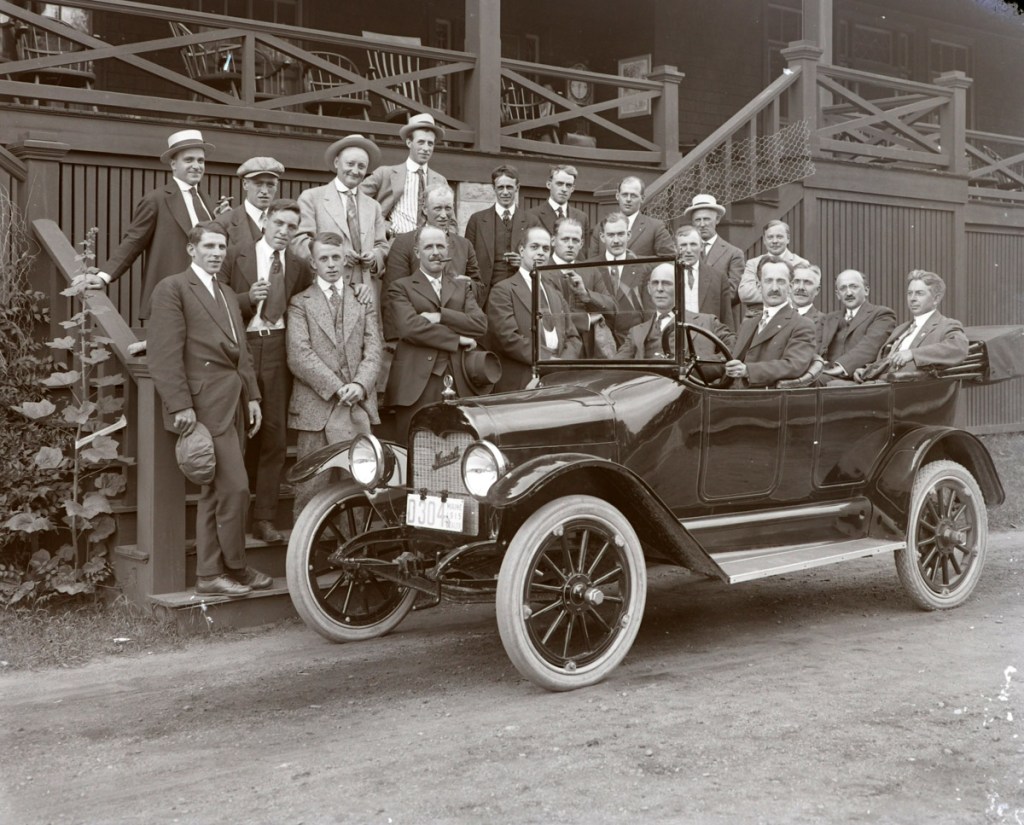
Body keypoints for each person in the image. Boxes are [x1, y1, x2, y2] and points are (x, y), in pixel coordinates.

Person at [147, 223, 269, 598]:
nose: (217, 253)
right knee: (235, 489)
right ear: (191, 249)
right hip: (203, 406)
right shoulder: (173, 288)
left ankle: (212, 573)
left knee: (217, 494)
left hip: (234, 402)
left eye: (221, 247)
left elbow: (242, 351)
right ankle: (231, 568)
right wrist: (180, 404)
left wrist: (252, 396)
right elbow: (164, 353)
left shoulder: (227, 292)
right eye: (209, 246)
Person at [220, 198, 308, 543]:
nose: (284, 232)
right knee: (238, 431)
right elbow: (214, 301)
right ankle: (233, 516)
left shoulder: (299, 266)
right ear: (266, 221)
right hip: (240, 347)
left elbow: (309, 302)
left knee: (274, 435)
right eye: (279, 223)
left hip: (277, 348)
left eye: (291, 227)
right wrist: (246, 299)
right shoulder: (234, 254)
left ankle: (264, 518)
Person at [286, 233, 383, 518]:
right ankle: (306, 544)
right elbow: (299, 355)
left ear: (345, 261)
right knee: (311, 488)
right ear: (313, 263)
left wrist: (360, 384)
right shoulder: (300, 303)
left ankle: (355, 545)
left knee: (359, 486)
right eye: (324, 258)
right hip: (316, 410)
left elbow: (374, 349)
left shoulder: (362, 299)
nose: (330, 264)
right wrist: (338, 387)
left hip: (357, 406)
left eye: (336, 257)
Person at [81, 129, 218, 319]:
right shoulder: (157, 199)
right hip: (173, 298)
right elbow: (133, 241)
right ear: (173, 164)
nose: (196, 166)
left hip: (209, 298)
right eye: (189, 160)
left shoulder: (207, 201)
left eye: (200, 161)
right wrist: (104, 276)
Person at [383, 225, 487, 441]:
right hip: (416, 385)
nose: (436, 252)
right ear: (417, 252)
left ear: (448, 250)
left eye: (440, 246)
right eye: (428, 247)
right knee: (415, 448)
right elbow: (410, 328)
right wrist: (457, 338)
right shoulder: (401, 287)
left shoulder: (461, 287)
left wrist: (440, 316)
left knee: (461, 447)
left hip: (459, 381)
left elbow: (479, 324)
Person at [292, 134, 388, 304]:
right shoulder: (312, 198)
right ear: (337, 163)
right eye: (350, 164)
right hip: (325, 291)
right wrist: (337, 255)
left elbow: (382, 245)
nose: (355, 171)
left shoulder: (373, 206)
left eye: (361, 166)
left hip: (366, 294)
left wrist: (374, 258)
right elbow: (299, 242)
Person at [487, 226, 582, 391]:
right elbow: (507, 338)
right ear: (521, 250)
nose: (541, 253)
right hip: (522, 383)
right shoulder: (503, 290)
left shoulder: (555, 293)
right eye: (534, 247)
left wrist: (563, 363)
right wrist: (547, 360)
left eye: (545, 249)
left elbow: (573, 337)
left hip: (558, 381)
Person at [855, 270, 969, 383]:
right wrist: (868, 370)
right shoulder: (901, 329)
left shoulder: (946, 325)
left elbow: (958, 348)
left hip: (910, 388)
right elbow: (887, 360)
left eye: (919, 293)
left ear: (936, 299)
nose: (912, 298)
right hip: (879, 383)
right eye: (910, 293)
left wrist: (912, 354)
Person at [383, 183, 481, 305]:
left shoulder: (464, 245)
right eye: (438, 208)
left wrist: (469, 285)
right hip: (417, 315)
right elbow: (392, 294)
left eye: (448, 208)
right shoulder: (404, 243)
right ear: (425, 209)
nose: (444, 215)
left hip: (457, 315)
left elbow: (479, 287)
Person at [724, 257, 816, 387]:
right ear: (758, 286)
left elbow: (794, 365)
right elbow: (729, 358)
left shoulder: (802, 324)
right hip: (730, 392)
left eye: (781, 281)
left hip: (769, 396)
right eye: (768, 281)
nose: (774, 288)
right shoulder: (748, 324)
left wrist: (748, 371)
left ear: (790, 287)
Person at [615, 263, 735, 363]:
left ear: (679, 287)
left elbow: (735, 348)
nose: (659, 289)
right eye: (655, 283)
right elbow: (616, 366)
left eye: (666, 283)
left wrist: (702, 366)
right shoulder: (636, 332)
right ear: (649, 289)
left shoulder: (707, 322)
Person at [361, 112, 447, 236]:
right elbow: (355, 199)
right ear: (409, 143)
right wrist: (379, 223)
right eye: (421, 142)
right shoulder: (385, 173)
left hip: (429, 241)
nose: (426, 148)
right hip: (396, 240)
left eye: (430, 143)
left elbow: (450, 221)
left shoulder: (440, 180)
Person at [548, 216, 616, 358]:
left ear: (581, 243)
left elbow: (612, 308)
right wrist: (587, 320)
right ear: (553, 241)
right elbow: (547, 316)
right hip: (555, 351)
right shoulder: (542, 271)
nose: (570, 245)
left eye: (575, 240)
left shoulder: (590, 270)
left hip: (588, 352)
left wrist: (586, 294)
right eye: (565, 239)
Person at [818, 269, 897, 380]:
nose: (849, 293)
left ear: (866, 291)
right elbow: (815, 346)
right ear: (838, 295)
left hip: (857, 378)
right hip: (824, 373)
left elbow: (870, 346)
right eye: (843, 288)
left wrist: (841, 366)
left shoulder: (882, 315)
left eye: (854, 287)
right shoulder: (829, 319)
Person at [465, 164, 529, 295]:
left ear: (517, 188)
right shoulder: (477, 220)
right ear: (494, 188)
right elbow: (468, 260)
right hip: (486, 293)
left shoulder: (531, 221)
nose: (505, 192)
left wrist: (523, 262)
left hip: (520, 292)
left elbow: (540, 261)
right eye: (500, 187)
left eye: (509, 187)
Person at [682, 193, 744, 327]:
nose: (702, 224)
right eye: (697, 220)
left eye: (707, 219)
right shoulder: (682, 252)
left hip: (718, 323)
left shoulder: (733, 253)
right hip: (685, 320)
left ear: (717, 220)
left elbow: (733, 293)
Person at [586, 175, 674, 261]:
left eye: (633, 196)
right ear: (617, 196)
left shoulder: (655, 227)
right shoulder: (601, 228)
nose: (628, 199)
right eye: (624, 195)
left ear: (642, 198)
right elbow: (592, 262)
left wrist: (636, 260)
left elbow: (670, 259)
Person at [738, 220, 810, 319]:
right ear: (764, 240)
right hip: (755, 317)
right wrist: (783, 294)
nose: (775, 241)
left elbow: (800, 296)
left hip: (789, 317)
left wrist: (764, 292)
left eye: (779, 237)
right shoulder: (753, 263)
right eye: (770, 237)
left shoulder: (800, 263)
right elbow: (745, 294)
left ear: (788, 239)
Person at [215, 156, 285, 247]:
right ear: (245, 184)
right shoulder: (224, 223)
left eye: (270, 185)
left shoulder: (285, 224)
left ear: (276, 186)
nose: (264, 191)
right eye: (258, 184)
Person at [675, 224, 733, 328]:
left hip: (707, 335)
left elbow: (726, 318)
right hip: (676, 334)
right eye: (683, 245)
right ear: (676, 248)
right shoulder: (668, 276)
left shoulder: (718, 277)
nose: (688, 250)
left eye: (693, 244)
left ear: (701, 247)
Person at [526, 164, 590, 242]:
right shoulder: (532, 216)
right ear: (549, 184)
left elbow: (584, 249)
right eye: (559, 184)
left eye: (568, 185)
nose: (564, 189)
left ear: (573, 189)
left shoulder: (582, 218)